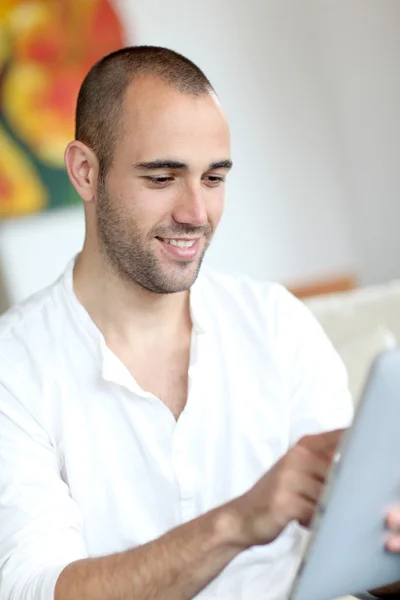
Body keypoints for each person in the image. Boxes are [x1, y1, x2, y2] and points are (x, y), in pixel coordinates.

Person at [0, 46, 399, 600]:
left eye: (213, 179)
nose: (196, 213)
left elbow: (352, 548)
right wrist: (237, 522)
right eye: (163, 178)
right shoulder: (13, 368)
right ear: (85, 171)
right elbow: (34, 590)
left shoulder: (275, 321)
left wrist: (381, 541)